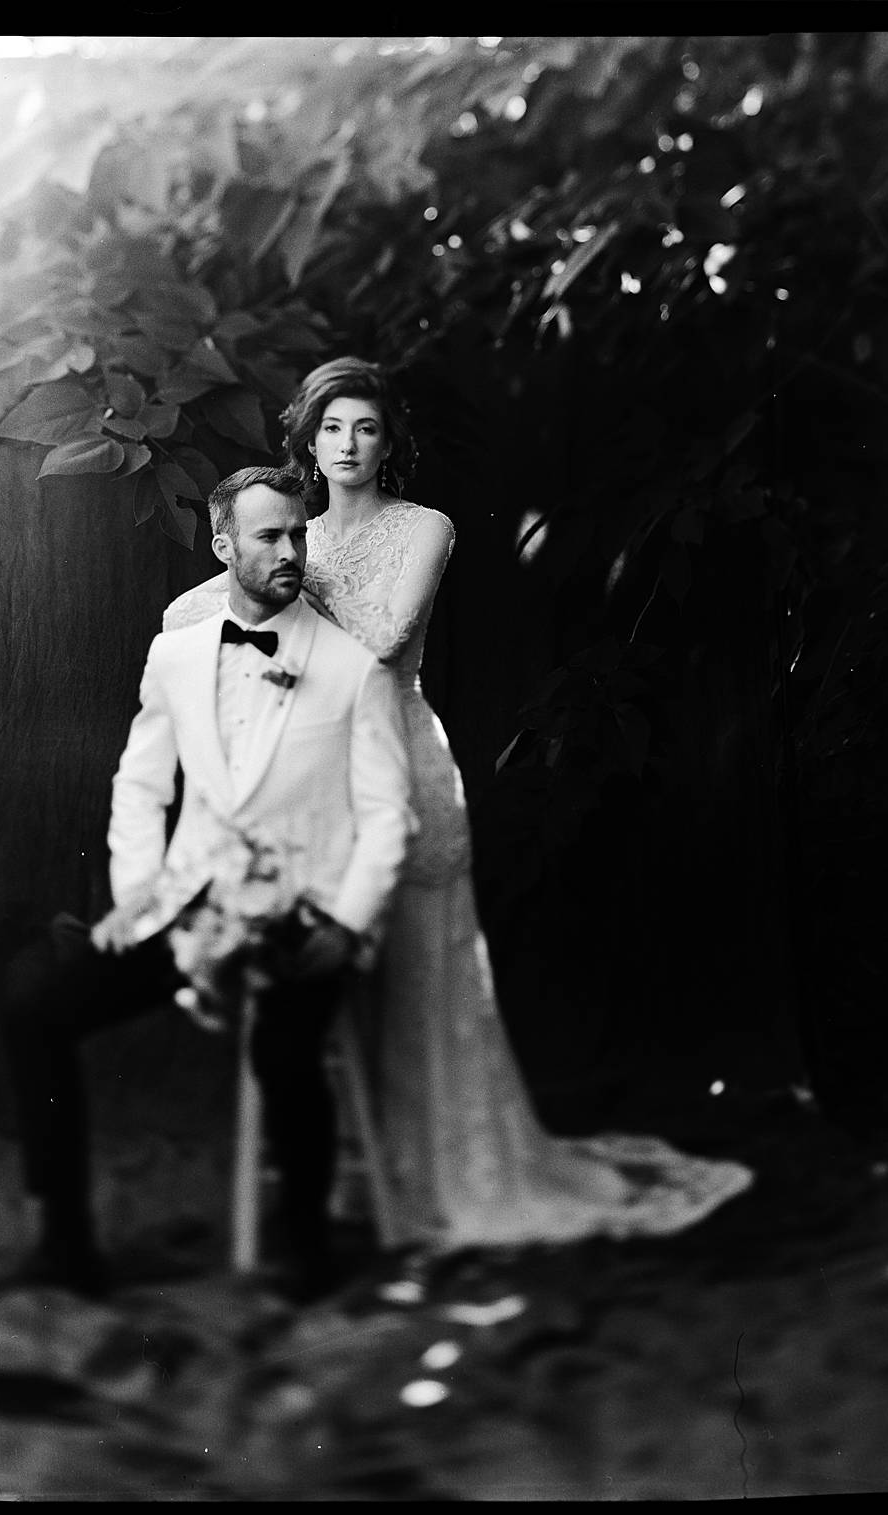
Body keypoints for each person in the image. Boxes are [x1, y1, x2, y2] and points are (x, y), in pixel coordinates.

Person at [162, 357, 755, 1251]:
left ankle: (453, 1171)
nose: (349, 445)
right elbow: (188, 616)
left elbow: (384, 642)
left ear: (390, 441)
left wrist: (279, 613)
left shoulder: (423, 528)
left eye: (366, 428)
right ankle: (364, 1174)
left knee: (422, 975)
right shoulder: (293, 533)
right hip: (320, 772)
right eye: (331, 429)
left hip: (400, 758)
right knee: (338, 977)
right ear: (308, 442)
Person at [1, 464, 414, 1299]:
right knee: (33, 1005)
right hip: (186, 901)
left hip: (302, 909)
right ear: (224, 545)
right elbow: (140, 784)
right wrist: (138, 896)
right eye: (270, 535)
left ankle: (309, 1248)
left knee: (287, 1050)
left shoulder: (351, 670)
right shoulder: (176, 654)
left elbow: (387, 814)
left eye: (298, 533)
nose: (292, 548)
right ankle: (66, 1239)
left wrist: (345, 922)